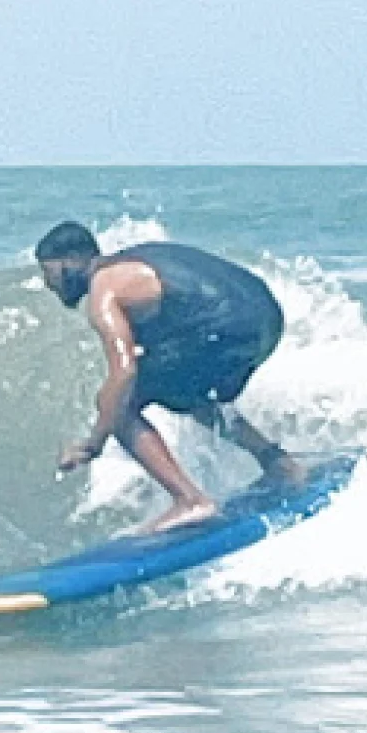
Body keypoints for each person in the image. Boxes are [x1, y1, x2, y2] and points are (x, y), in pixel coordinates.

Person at [35, 220, 303, 533]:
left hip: (227, 327)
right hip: (267, 320)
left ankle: (190, 501)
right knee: (182, 391)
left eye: (47, 271)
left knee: (118, 402)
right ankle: (278, 463)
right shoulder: (137, 260)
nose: (47, 283)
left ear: (70, 261)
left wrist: (92, 444)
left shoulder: (105, 288)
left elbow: (124, 372)